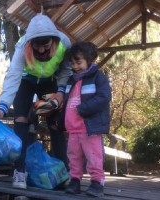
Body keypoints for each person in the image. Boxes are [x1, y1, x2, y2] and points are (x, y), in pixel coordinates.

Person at [0, 14, 72, 189]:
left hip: (49, 83)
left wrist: (60, 91)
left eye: (46, 46)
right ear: (30, 43)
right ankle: (19, 171)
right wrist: (3, 106)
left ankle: (64, 171)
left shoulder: (64, 42)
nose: (42, 51)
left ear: (53, 41)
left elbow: (66, 69)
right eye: (37, 46)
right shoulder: (22, 46)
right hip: (26, 82)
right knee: (21, 120)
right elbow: (13, 76)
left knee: (55, 123)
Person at [62, 42, 111, 197]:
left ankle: (97, 183)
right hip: (73, 128)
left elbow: (104, 97)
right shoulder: (71, 80)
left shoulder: (98, 77)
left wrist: (83, 109)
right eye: (72, 63)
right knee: (73, 156)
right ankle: (75, 181)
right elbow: (65, 102)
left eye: (79, 62)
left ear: (89, 60)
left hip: (89, 128)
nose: (75, 66)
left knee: (93, 156)